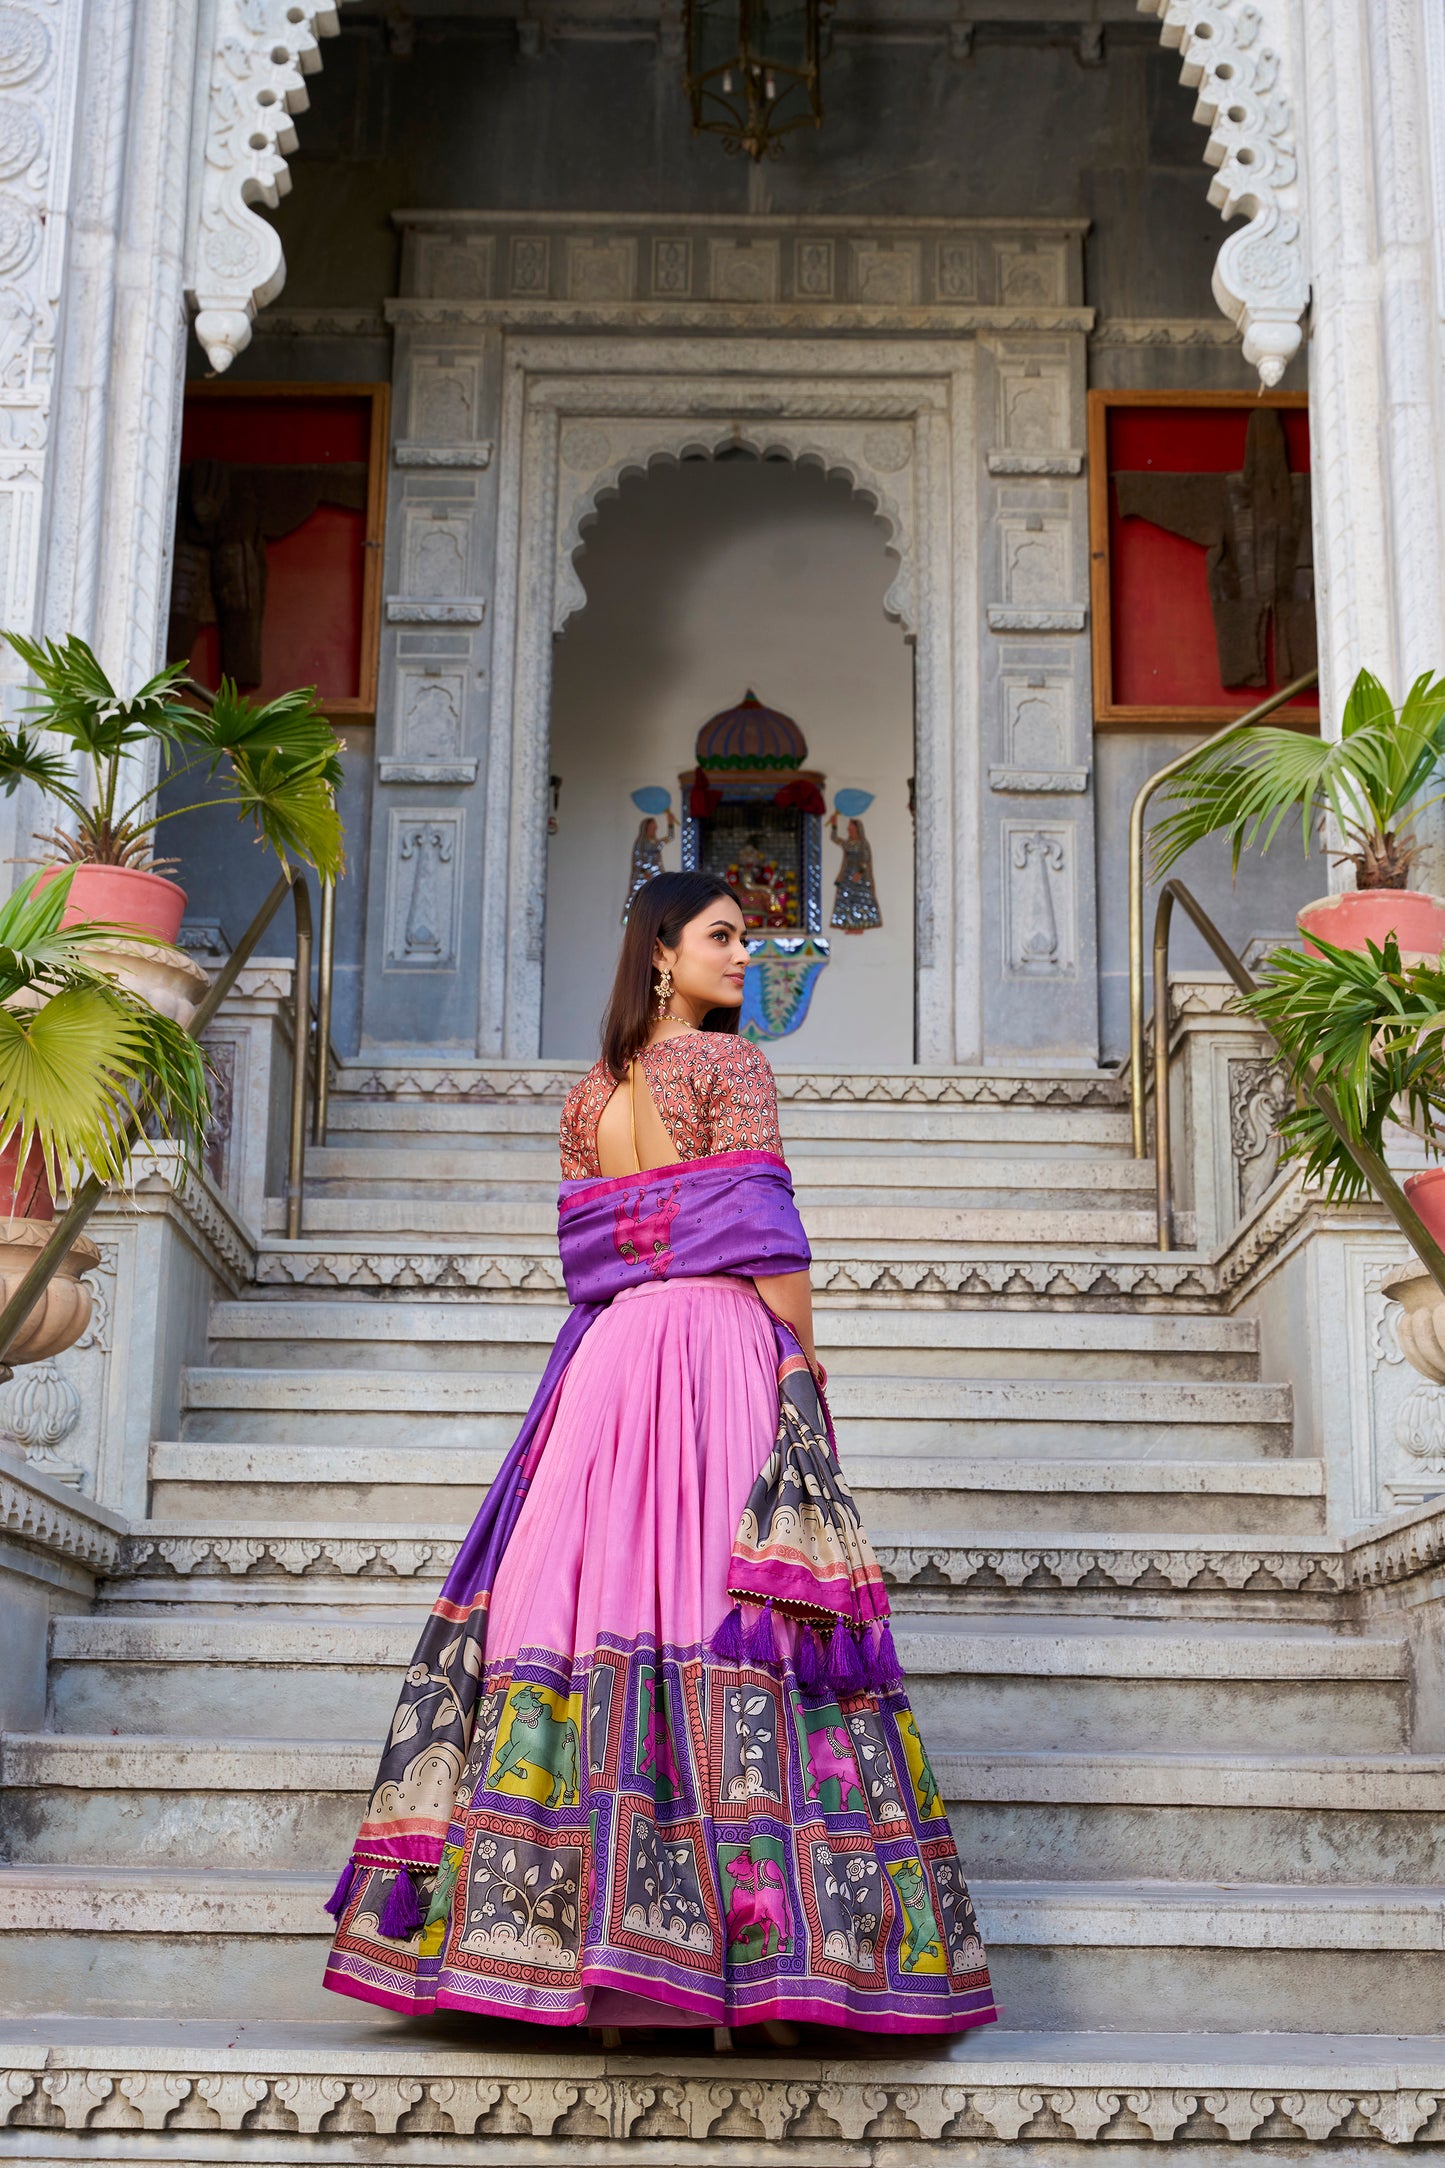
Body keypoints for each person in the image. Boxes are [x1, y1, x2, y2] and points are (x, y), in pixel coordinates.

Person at [321, 871, 995, 2038]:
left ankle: (595, 1965)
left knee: (591, 1603)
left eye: (744, 935)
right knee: (724, 1607)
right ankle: (775, 1967)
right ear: (660, 955)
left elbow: (590, 1251)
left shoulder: (587, 1097)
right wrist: (803, 1363)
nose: (744, 954)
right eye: (722, 937)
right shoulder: (727, 1067)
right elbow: (766, 1235)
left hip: (609, 1358)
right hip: (714, 1348)